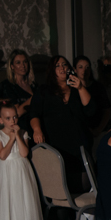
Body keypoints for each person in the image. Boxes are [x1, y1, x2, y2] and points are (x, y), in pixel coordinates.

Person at [29, 55, 95, 195]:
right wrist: (37, 130)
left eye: (64, 65)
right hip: (56, 144)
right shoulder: (44, 90)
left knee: (82, 188)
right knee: (59, 189)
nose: (62, 68)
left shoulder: (77, 88)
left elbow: (91, 110)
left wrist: (81, 87)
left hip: (78, 144)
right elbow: (34, 113)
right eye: (57, 65)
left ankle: (80, 215)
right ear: (52, 70)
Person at [0, 48, 35, 117]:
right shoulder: (7, 85)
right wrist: (34, 98)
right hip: (19, 126)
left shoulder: (34, 86)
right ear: (12, 66)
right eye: (18, 62)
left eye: (25, 62)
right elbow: (16, 113)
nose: (23, 65)